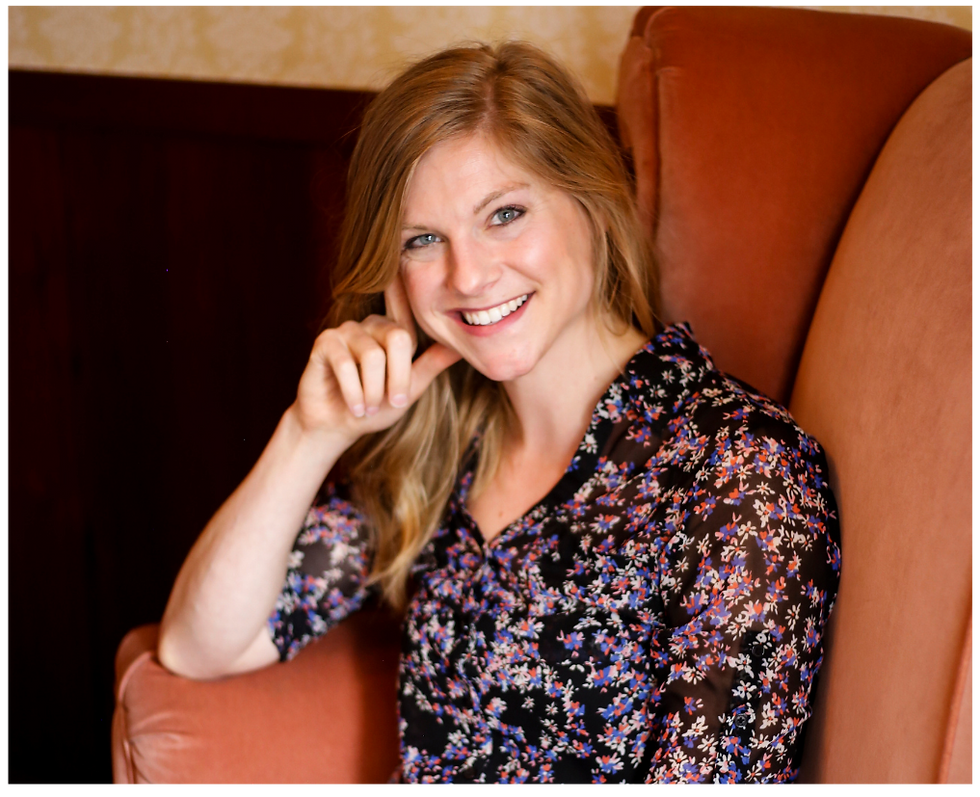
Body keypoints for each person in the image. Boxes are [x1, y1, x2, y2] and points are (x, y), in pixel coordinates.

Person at [158, 42, 840, 787]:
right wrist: (309, 432)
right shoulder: (446, 445)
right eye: (423, 240)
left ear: (592, 203)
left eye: (505, 214)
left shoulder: (744, 471)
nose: (469, 275)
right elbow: (200, 644)